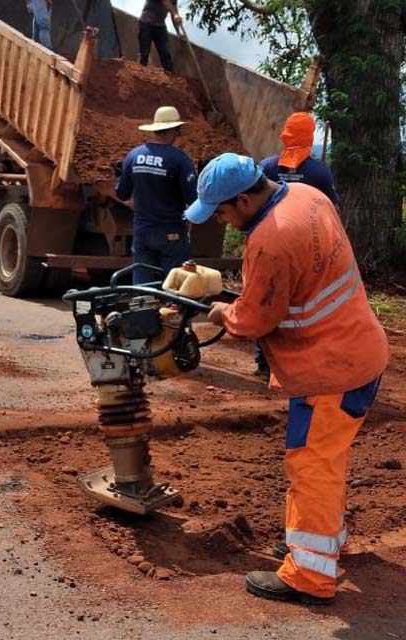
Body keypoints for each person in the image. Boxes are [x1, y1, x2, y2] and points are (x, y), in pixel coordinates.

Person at [185, 153, 388, 605]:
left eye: (221, 211)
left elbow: (254, 320)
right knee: (326, 461)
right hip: (359, 351)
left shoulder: (270, 240)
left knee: (312, 466)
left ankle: (309, 576)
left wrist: (222, 311)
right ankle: (325, 542)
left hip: (331, 369)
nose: (221, 219)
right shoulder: (307, 195)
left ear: (242, 199)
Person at [252, 112, 341, 380]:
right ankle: (300, 360)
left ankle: (265, 363)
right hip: (306, 251)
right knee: (302, 303)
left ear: (285, 135)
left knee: (266, 298)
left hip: (269, 247)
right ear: (309, 137)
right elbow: (331, 212)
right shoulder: (319, 173)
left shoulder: (267, 167)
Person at [114, 106, 197, 285]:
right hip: (171, 233)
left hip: (142, 232)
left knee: (142, 287)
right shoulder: (180, 159)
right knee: (173, 287)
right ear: (175, 130)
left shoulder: (134, 156)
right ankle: (171, 311)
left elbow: (122, 193)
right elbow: (193, 199)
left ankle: (143, 311)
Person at [138, 0, 182, 72]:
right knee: (144, 52)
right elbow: (165, 2)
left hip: (160, 26)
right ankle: (140, 73)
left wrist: (178, 32)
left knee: (165, 53)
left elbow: (173, 13)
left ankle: (171, 78)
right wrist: (175, 14)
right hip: (146, 23)